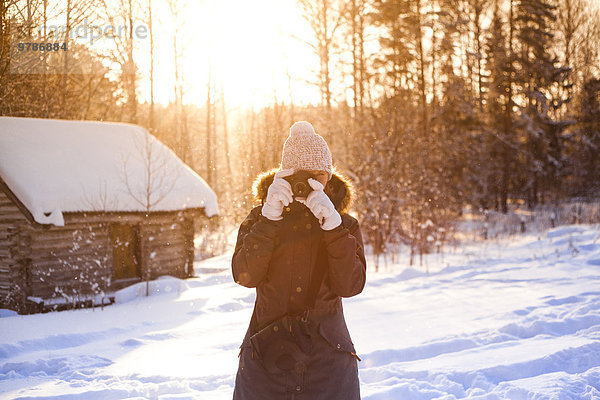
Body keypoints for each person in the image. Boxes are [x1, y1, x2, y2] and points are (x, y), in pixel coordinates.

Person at [232, 121, 367, 399]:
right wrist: (270, 219)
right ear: (287, 174)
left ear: (330, 175)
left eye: (321, 174)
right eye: (304, 175)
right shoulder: (261, 219)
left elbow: (351, 285)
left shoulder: (345, 225)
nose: (313, 183)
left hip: (329, 360)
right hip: (265, 357)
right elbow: (245, 276)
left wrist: (333, 227)